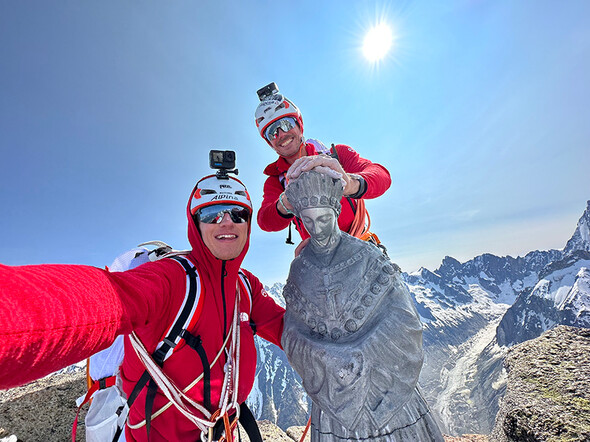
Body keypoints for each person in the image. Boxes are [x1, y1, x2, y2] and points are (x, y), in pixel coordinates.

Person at [0, 170, 285, 442]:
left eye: (238, 213)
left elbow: (288, 329)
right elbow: (105, 299)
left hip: (223, 430)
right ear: (195, 224)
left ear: (248, 222)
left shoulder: (246, 287)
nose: (226, 222)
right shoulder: (172, 279)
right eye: (212, 214)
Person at [281, 170, 444, 441]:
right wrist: (327, 358)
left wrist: (359, 354)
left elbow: (405, 321)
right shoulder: (299, 269)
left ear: (336, 213)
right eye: (308, 221)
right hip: (332, 401)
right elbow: (292, 334)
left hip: (385, 393)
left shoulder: (367, 254)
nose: (317, 229)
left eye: (323, 219)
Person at [254, 83, 392, 244]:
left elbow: (381, 175)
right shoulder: (275, 180)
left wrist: (349, 183)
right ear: (269, 142)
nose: (282, 134)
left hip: (363, 245)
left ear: (300, 125)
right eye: (272, 132)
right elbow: (265, 220)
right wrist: (287, 201)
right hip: (323, 261)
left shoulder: (336, 155)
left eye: (286, 124)